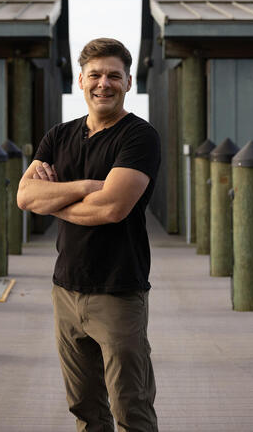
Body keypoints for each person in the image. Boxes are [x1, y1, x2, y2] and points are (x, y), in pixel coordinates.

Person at [17, 38, 161, 432]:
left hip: (118, 293)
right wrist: (84, 187)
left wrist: (54, 199)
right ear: (80, 80)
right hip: (66, 289)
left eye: (114, 75)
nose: (103, 83)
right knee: (84, 409)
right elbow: (25, 195)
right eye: (95, 75)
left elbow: (113, 208)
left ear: (128, 82)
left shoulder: (139, 137)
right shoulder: (58, 136)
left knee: (130, 407)